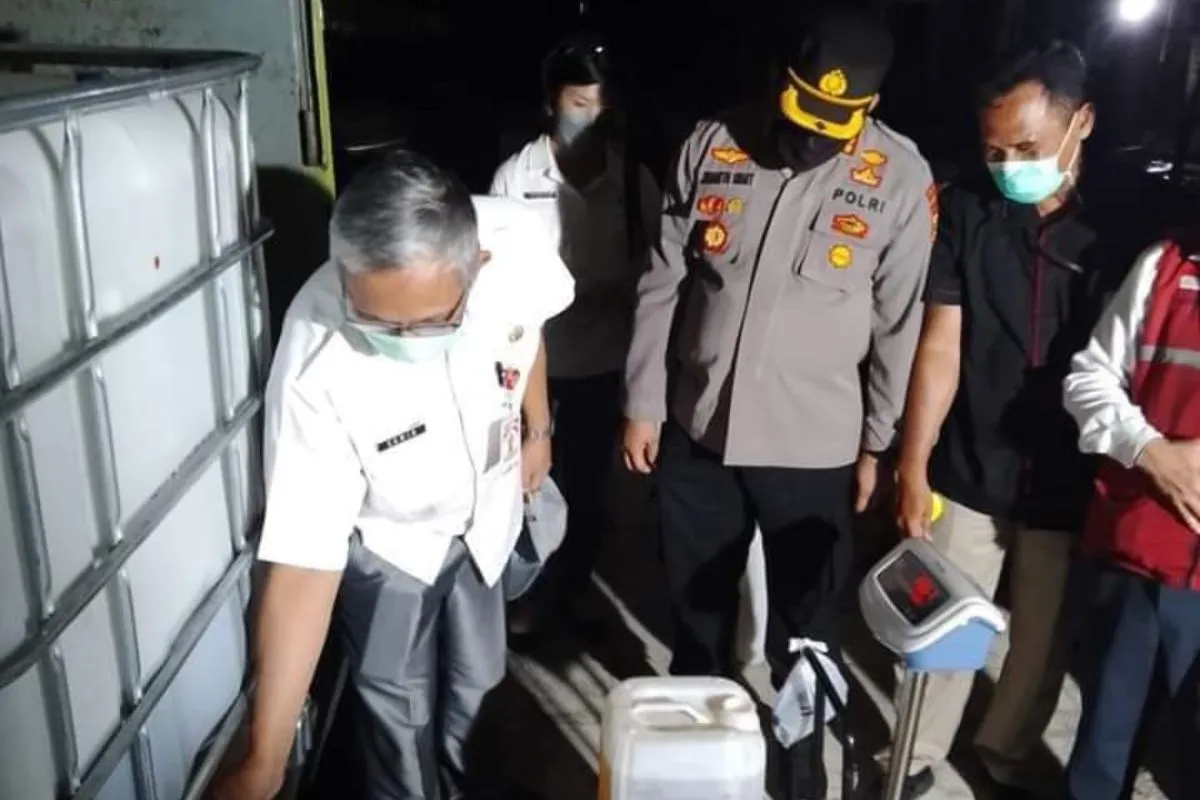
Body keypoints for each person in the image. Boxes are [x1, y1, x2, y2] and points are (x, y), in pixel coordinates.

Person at [622, 8, 936, 797]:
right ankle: (696, 768)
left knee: (807, 636)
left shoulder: (899, 178)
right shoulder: (711, 143)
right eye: (803, 116)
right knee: (696, 617)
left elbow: (898, 324)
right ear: (778, 83)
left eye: (834, 127)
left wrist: (877, 445)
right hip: (699, 429)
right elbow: (664, 280)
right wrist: (643, 401)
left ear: (867, 108)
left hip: (813, 449)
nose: (810, 140)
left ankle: (800, 779)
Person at [210, 150, 573, 800]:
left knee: (481, 691)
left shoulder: (519, 243)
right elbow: (303, 563)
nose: (404, 340)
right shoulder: (315, 358)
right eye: (377, 322)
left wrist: (537, 429)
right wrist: (266, 756)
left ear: (477, 265)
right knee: (396, 715)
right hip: (389, 545)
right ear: (344, 275)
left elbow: (531, 330)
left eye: (432, 321)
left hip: (486, 522)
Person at [890, 42, 1169, 798]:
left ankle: (1005, 747)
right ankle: (915, 751)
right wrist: (913, 464)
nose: (1010, 166)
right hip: (969, 464)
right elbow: (941, 344)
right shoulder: (968, 212)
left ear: (1082, 122)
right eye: (994, 151)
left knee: (1042, 637)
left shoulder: (1125, 230)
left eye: (1026, 147)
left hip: (1071, 474)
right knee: (944, 626)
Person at [490, 33, 659, 635]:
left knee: (586, 485)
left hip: (603, 361)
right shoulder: (516, 178)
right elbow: (498, 279)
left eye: (600, 104)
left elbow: (658, 272)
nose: (590, 116)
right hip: (531, 361)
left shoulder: (633, 182)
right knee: (528, 480)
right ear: (550, 103)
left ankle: (575, 587)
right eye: (578, 102)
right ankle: (530, 591)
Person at [1062, 234, 1200, 800]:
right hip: (1137, 550)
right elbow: (1089, 380)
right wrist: (1150, 451)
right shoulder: (1164, 266)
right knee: (1105, 742)